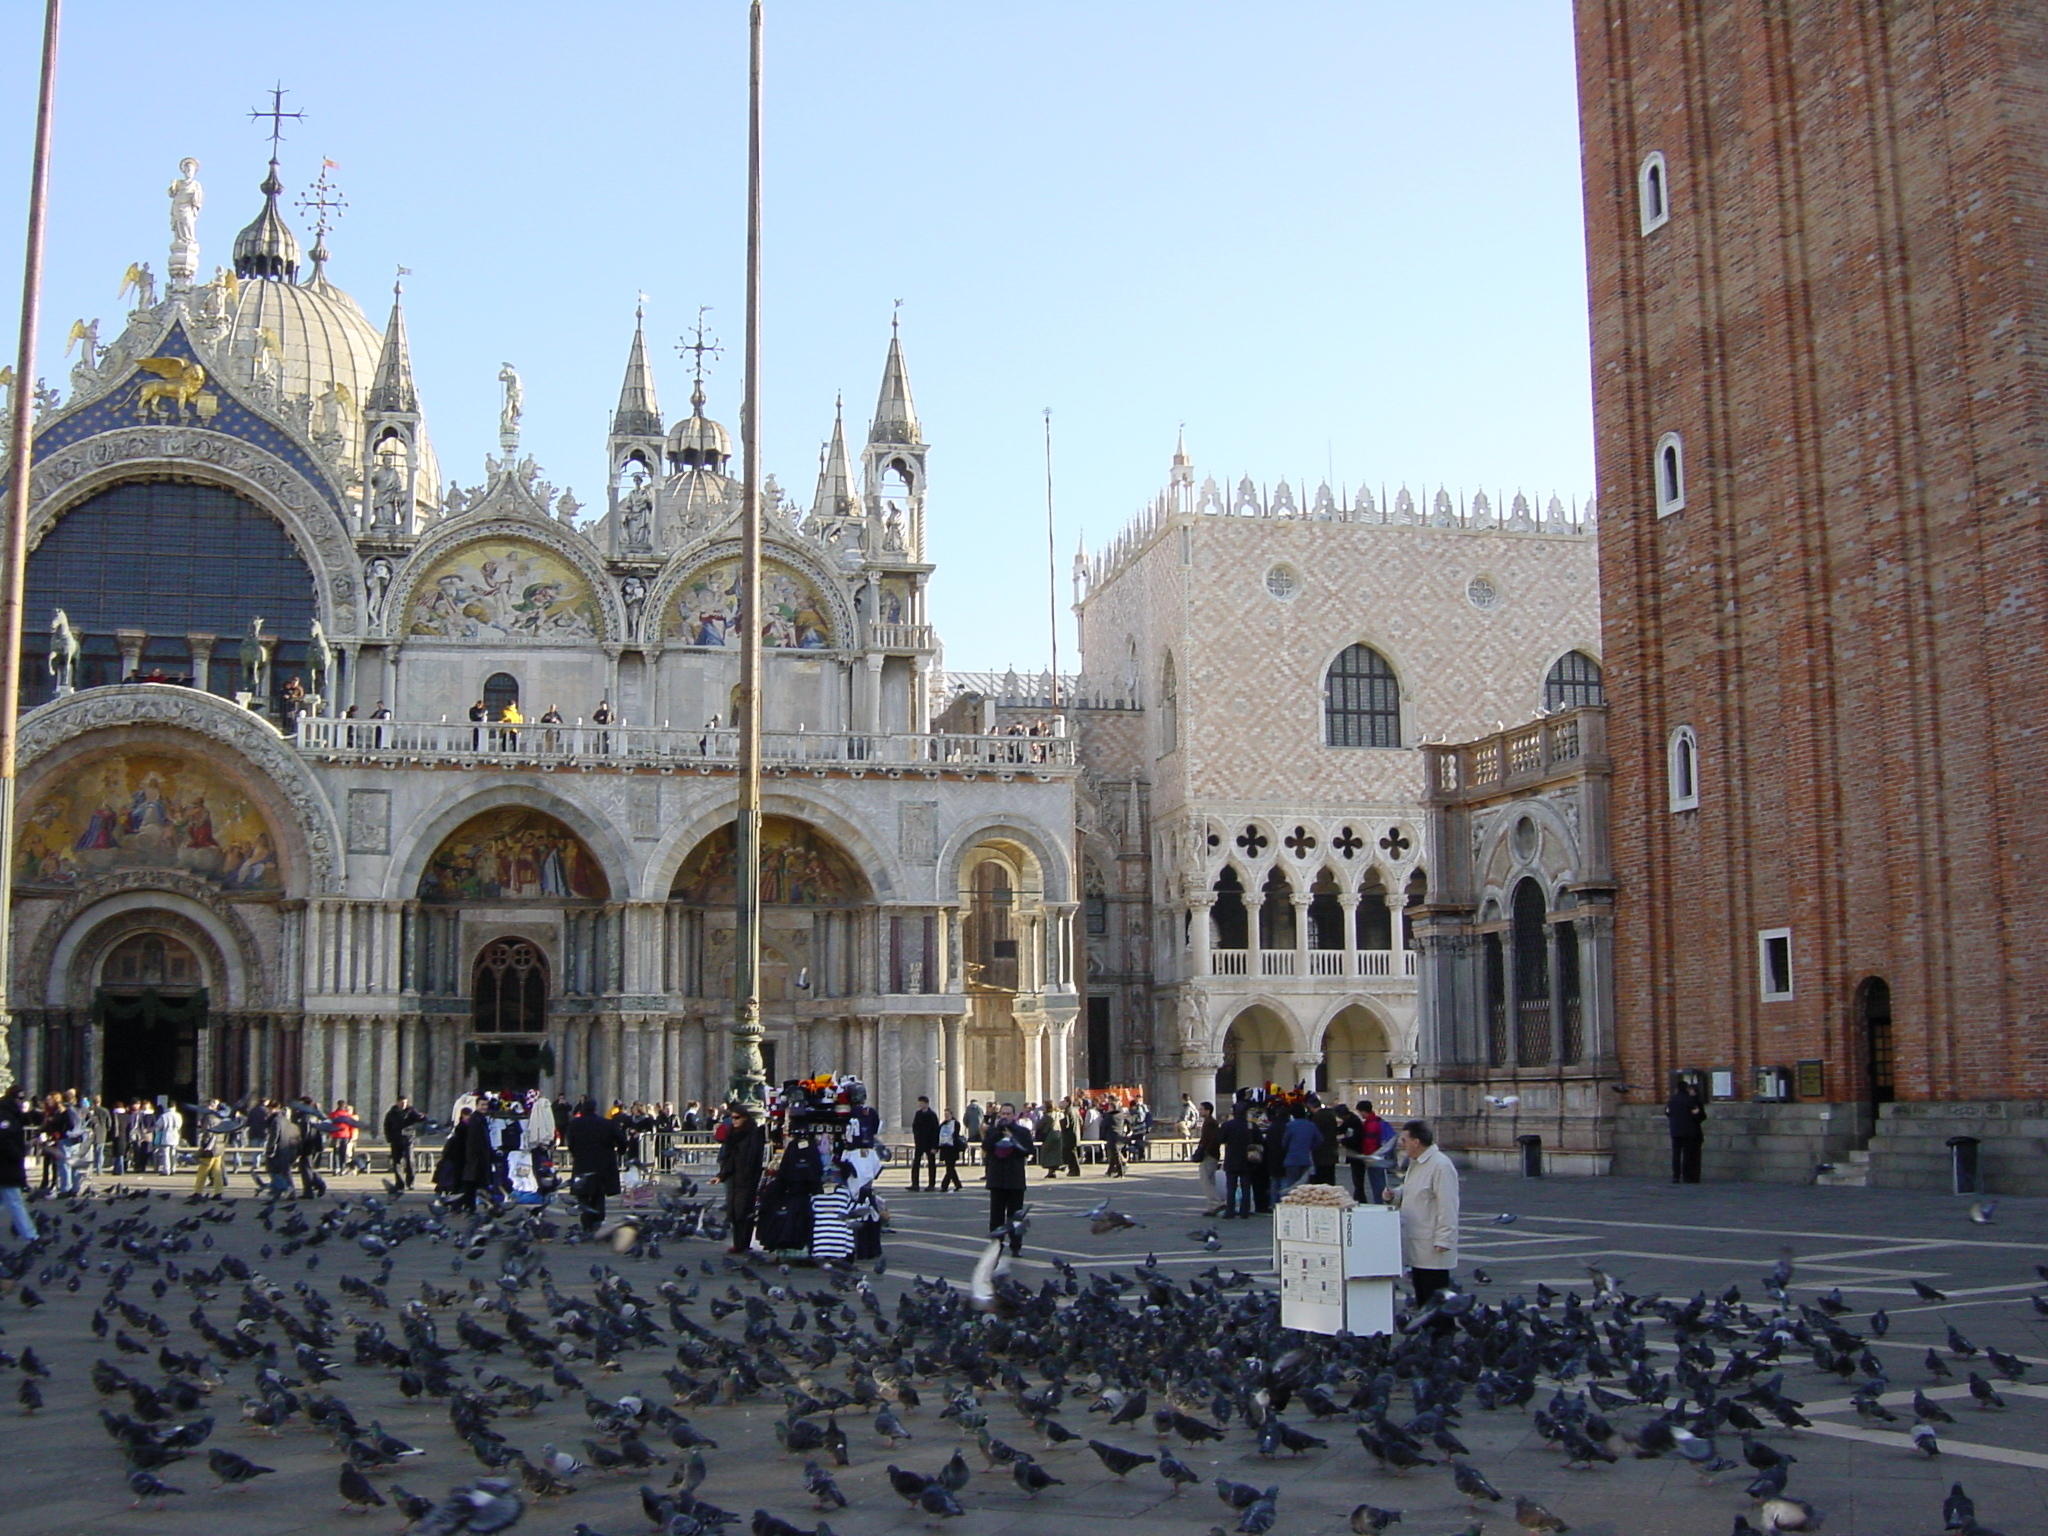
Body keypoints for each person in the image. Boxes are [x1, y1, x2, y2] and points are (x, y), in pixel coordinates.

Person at [1389, 1120, 1460, 1305]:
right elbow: (1413, 1191)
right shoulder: (1417, 1163)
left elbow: (1448, 1204)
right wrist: (1394, 1195)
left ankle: (1442, 1332)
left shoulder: (1441, 1165)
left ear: (1416, 1142)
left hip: (1431, 1242)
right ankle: (1429, 1330)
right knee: (1422, 1293)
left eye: (1404, 1140)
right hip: (1417, 1239)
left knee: (1435, 1295)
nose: (1401, 1145)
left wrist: (1444, 1238)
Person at [565, 1096, 630, 1234]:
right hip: (603, 1164)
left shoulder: (575, 1124)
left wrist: (577, 1154)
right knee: (599, 1195)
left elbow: (570, 1143)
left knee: (583, 1195)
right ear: (595, 1108)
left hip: (583, 1163)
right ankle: (597, 1222)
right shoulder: (607, 1123)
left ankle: (586, 1224)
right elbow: (622, 1141)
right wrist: (620, 1152)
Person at [982, 1103, 1034, 1253]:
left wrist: (1012, 1138)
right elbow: (987, 1147)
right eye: (1002, 1114)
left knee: (1015, 1216)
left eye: (1008, 1114)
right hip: (997, 1179)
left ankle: (1016, 1245)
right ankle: (996, 1244)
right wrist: (997, 1132)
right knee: (996, 1215)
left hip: (1015, 1179)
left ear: (1014, 1115)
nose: (1005, 1117)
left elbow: (1028, 1150)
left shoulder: (1022, 1131)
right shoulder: (993, 1131)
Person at [713, 1104, 766, 1254]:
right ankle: (738, 1242)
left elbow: (754, 1157)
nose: (733, 1121)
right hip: (734, 1176)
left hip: (748, 1177)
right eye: (732, 1118)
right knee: (735, 1211)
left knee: (744, 1210)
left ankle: (744, 1242)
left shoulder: (753, 1134)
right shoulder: (733, 1134)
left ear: (745, 1118)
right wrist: (721, 1175)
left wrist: (752, 1175)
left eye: (736, 1118)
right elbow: (730, 1158)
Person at [0, 1087, 39, 1245]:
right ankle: (31, 1237)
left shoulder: (12, 1114)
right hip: (6, 1167)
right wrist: (17, 1154)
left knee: (6, 1202)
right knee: (16, 1203)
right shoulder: (5, 1116)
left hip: (7, 1166)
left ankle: (31, 1236)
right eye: (20, 1098)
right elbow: (4, 1139)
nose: (22, 1102)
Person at [1219, 1098, 1259, 1218]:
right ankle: (1244, 1211)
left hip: (1231, 1158)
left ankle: (1230, 1210)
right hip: (1247, 1159)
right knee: (1246, 1186)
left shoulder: (1227, 1125)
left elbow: (1220, 1139)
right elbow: (1259, 1140)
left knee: (1231, 1187)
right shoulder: (1251, 1126)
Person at [1276, 1104, 1322, 1199]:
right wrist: (1310, 1146)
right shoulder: (1311, 1125)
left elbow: (1284, 1142)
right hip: (1306, 1159)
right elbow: (1320, 1139)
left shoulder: (1290, 1126)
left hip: (1292, 1159)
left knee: (1292, 1186)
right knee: (1304, 1187)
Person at [1667, 1074, 1707, 1184]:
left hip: (1675, 1131)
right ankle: (1686, 1176)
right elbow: (1697, 1114)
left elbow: (1668, 1113)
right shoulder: (1690, 1100)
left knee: (1676, 1154)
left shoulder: (1672, 1101)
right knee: (1687, 1154)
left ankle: (1675, 1176)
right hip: (1688, 1131)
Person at [1352, 1099, 1391, 1203]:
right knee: (1379, 1182)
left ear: (1363, 1111)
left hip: (1373, 1157)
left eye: (1360, 1112)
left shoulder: (1370, 1124)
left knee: (1377, 1184)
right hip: (1379, 1156)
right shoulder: (1377, 1121)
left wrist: (1367, 1157)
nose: (1360, 1114)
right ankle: (1382, 1202)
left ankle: (1380, 1203)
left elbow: (1370, 1143)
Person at [384, 1096, 426, 1190]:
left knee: (410, 1160)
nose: (404, 1104)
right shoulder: (391, 1114)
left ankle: (410, 1182)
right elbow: (387, 1126)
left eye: (405, 1103)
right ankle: (399, 1183)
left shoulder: (411, 1111)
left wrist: (422, 1117)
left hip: (408, 1138)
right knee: (397, 1162)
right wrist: (389, 1138)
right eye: (402, 1102)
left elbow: (419, 1118)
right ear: (397, 1103)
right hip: (396, 1139)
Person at [191, 1101, 230, 1193]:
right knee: (217, 1171)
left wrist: (204, 1145)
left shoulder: (209, 1117)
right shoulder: (221, 1116)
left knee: (203, 1170)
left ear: (211, 1106)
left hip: (211, 1147)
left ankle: (198, 1192)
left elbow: (208, 1133)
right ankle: (218, 1192)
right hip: (219, 1146)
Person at [1193, 1101, 1224, 1215]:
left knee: (1206, 1180)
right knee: (1209, 1179)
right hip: (1211, 1153)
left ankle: (1215, 1202)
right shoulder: (1210, 1122)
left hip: (1209, 1154)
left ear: (1208, 1110)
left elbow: (1210, 1140)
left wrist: (1204, 1151)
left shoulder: (1209, 1123)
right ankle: (1212, 1205)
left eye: (1201, 1109)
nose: (1200, 1111)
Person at [908, 1096, 940, 1191]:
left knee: (931, 1164)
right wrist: (916, 1138)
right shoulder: (918, 1114)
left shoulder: (932, 1115)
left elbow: (935, 1131)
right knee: (916, 1163)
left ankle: (931, 1184)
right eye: (919, 1103)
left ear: (926, 1104)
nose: (920, 1105)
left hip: (930, 1143)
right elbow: (915, 1127)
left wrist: (935, 1146)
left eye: (921, 1103)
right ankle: (915, 1184)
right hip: (920, 1143)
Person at [935, 1107, 964, 1192]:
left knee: (950, 1167)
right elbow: (938, 1136)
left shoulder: (955, 1123)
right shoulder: (942, 1124)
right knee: (950, 1167)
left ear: (952, 1114)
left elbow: (955, 1134)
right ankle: (957, 1184)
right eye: (945, 1115)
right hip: (945, 1148)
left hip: (952, 1148)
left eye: (948, 1114)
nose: (946, 1116)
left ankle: (944, 1185)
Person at [1036, 1104, 1068, 1180]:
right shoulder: (1059, 1114)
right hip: (1058, 1134)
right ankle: (1055, 1168)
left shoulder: (1047, 1116)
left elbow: (1039, 1125)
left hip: (1049, 1135)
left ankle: (1053, 1170)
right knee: (1055, 1153)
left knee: (1047, 1154)